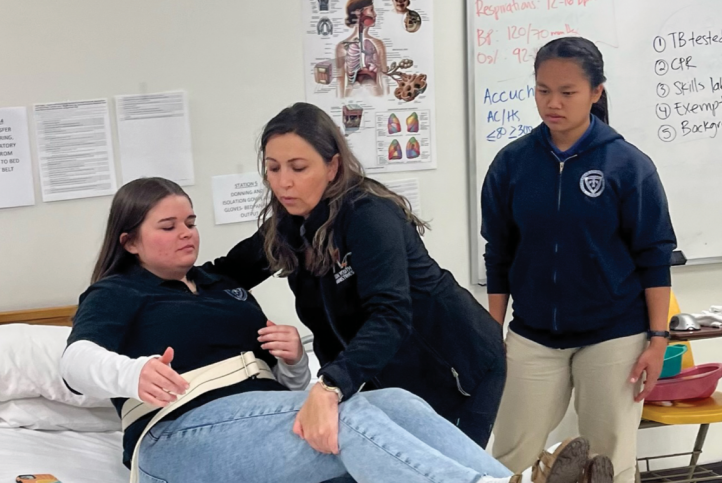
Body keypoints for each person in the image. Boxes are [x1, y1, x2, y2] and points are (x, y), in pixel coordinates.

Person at [59, 177, 515, 483]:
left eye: (191, 222)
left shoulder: (221, 285)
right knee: (347, 414)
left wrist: (295, 363)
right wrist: (131, 373)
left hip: (256, 418)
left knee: (396, 401)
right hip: (176, 435)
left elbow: (280, 391)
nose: (187, 233)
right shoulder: (118, 290)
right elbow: (73, 364)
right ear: (130, 240)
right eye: (168, 226)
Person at [204, 102, 506, 452]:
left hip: (457, 366)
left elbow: (390, 315)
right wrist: (152, 280)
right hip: (379, 373)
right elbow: (228, 273)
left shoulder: (369, 216)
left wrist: (331, 384)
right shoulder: (288, 226)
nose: (283, 182)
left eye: (298, 168)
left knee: (444, 466)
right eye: (273, 168)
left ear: (332, 166)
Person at [480, 37, 677, 483]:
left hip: (614, 334)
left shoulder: (628, 165)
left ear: (596, 92)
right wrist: (492, 332)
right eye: (542, 90)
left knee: (610, 459)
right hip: (532, 335)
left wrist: (658, 339)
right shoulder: (511, 165)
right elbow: (499, 254)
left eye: (567, 92)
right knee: (510, 453)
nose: (552, 103)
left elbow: (654, 256)